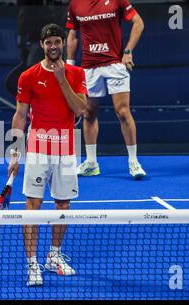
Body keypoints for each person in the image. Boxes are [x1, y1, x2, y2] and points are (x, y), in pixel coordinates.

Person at [8, 23, 87, 286]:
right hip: (38, 149)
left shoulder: (76, 74)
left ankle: (53, 256)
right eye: (48, 42)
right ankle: (33, 264)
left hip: (65, 150)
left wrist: (61, 79)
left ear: (63, 43)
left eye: (57, 42)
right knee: (33, 207)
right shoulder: (28, 76)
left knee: (63, 204)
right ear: (41, 45)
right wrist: (15, 152)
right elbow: (20, 115)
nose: (53, 47)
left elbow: (80, 110)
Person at [66, 0, 146, 179]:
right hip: (89, 67)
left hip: (115, 64)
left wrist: (128, 51)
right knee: (88, 113)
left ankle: (133, 162)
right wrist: (70, 65)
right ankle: (92, 163)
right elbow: (73, 35)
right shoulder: (75, 4)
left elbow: (138, 23)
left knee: (123, 112)